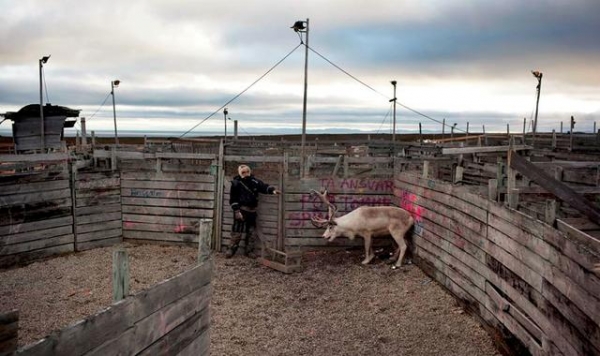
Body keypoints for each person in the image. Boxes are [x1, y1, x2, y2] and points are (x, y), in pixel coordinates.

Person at [226, 164, 280, 259]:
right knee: (237, 231)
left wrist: (273, 191)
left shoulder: (255, 181)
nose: (246, 174)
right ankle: (231, 249)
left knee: (251, 232)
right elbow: (233, 199)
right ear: (240, 173)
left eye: (247, 171)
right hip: (241, 210)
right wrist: (237, 211)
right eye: (243, 172)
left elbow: (264, 187)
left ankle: (249, 251)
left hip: (252, 211)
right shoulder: (236, 183)